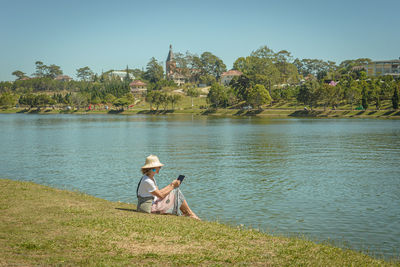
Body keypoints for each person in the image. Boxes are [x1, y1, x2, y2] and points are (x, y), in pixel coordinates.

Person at [136, 155, 200, 220]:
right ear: (153, 168)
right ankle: (189, 213)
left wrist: (171, 185)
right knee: (176, 192)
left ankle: (188, 213)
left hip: (152, 204)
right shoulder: (148, 181)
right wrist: (172, 186)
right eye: (159, 167)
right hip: (149, 208)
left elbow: (159, 193)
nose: (160, 168)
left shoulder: (149, 178)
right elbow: (161, 195)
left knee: (175, 191)